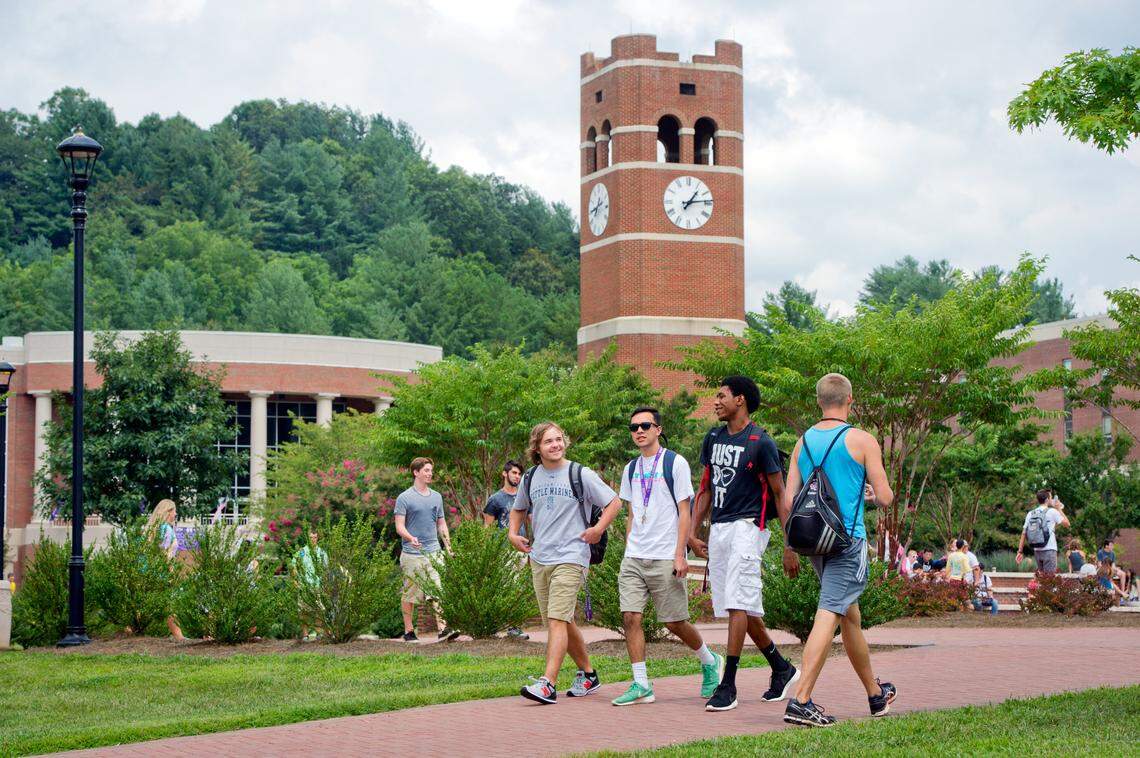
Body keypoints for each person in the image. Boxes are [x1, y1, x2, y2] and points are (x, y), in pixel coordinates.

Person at [782, 373, 896, 728]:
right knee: (830, 611)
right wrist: (869, 495)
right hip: (847, 541)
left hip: (815, 541)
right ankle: (801, 700)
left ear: (819, 401)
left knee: (850, 616)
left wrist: (789, 545)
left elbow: (788, 501)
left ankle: (875, 694)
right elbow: (886, 496)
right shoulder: (862, 440)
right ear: (850, 400)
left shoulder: (803, 442)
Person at [689, 376, 800, 713]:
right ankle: (781, 668)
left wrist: (790, 545)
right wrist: (692, 532)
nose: (716, 401)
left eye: (722, 395)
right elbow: (706, 488)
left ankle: (729, 685)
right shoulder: (713, 438)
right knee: (738, 606)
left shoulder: (761, 442)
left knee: (738, 603)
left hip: (749, 528)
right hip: (720, 529)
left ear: (740, 400)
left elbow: (780, 494)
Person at [611, 406, 724, 706]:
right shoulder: (630, 469)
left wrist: (680, 555)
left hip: (665, 554)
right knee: (630, 617)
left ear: (658, 430)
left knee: (674, 622)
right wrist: (628, 548)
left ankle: (709, 659)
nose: (639, 431)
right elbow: (632, 512)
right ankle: (641, 684)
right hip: (635, 556)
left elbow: (685, 512)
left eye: (645, 426)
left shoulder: (675, 463)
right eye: (634, 427)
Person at [510, 421, 621, 705]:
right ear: (537, 447)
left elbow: (614, 502)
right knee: (561, 620)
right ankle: (589, 674)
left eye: (559, 439)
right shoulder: (530, 477)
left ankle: (547, 684)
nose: (556, 445)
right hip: (540, 556)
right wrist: (513, 533)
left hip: (572, 555)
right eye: (549, 441)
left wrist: (598, 529)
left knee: (557, 619)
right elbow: (519, 508)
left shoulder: (580, 473)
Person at [394, 457, 457, 643]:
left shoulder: (436, 497)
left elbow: (441, 524)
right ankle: (409, 631)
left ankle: (443, 629)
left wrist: (448, 547)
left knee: (437, 588)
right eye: (426, 470)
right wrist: (410, 537)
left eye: (431, 470)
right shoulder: (404, 498)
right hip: (412, 554)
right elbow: (399, 526)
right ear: (416, 472)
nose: (430, 473)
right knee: (410, 594)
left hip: (434, 551)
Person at [482, 460, 530, 641]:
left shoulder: (524, 497)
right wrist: (487, 553)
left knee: (518, 589)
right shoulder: (495, 499)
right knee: (506, 587)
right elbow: (487, 528)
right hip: (503, 550)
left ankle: (514, 626)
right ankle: (507, 627)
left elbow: (531, 520)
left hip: (521, 549)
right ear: (505, 473)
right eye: (514, 473)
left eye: (519, 474)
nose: (517, 476)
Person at [146, 499, 184, 640]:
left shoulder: (156, 528)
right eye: (174, 511)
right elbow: (166, 554)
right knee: (171, 604)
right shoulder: (166, 529)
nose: (176, 514)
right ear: (168, 512)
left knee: (147, 603)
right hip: (163, 572)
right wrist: (171, 572)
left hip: (151, 571)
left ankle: (131, 630)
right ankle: (178, 636)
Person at [1016, 490, 1068, 574]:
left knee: (1041, 578)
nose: (1052, 500)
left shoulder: (1031, 513)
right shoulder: (1052, 511)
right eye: (1051, 498)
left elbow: (1024, 533)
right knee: (1050, 578)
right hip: (1049, 549)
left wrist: (1020, 552)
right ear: (1047, 499)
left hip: (1037, 550)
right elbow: (1067, 524)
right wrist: (1059, 509)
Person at [292, 528, 327, 640]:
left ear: (318, 538)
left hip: (318, 586)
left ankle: (319, 633)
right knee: (303, 611)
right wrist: (295, 580)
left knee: (319, 610)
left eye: (315, 537)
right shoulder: (302, 552)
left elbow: (326, 570)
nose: (313, 539)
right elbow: (294, 565)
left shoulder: (322, 552)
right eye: (311, 537)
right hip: (304, 586)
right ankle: (305, 635)